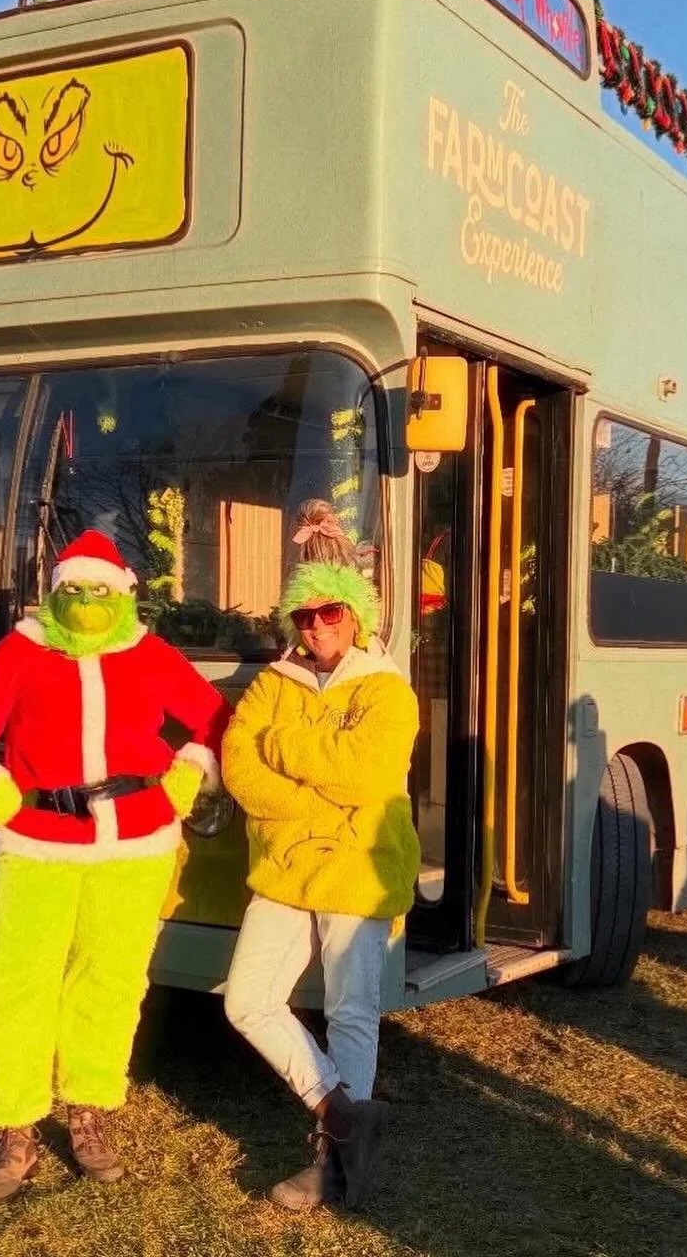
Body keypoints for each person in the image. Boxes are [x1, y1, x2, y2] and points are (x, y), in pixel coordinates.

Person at [0, 530, 231, 1205]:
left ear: (124, 595)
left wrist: (189, 773)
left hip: (136, 844)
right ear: (56, 592)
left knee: (109, 983)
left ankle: (88, 1110)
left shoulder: (149, 653)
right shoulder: (22, 649)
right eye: (72, 590)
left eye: (98, 591)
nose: (85, 602)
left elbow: (213, 718)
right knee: (14, 984)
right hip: (37, 841)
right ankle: (14, 1127)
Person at [221, 501, 420, 1212]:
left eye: (331, 614)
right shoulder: (275, 679)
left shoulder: (388, 689)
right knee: (246, 1001)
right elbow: (239, 765)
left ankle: (335, 1167)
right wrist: (315, 791)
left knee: (351, 1012)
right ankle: (344, 1117)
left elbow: (366, 774)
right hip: (285, 867)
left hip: (359, 866)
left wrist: (285, 749)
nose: (317, 628)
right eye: (305, 617)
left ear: (356, 616)